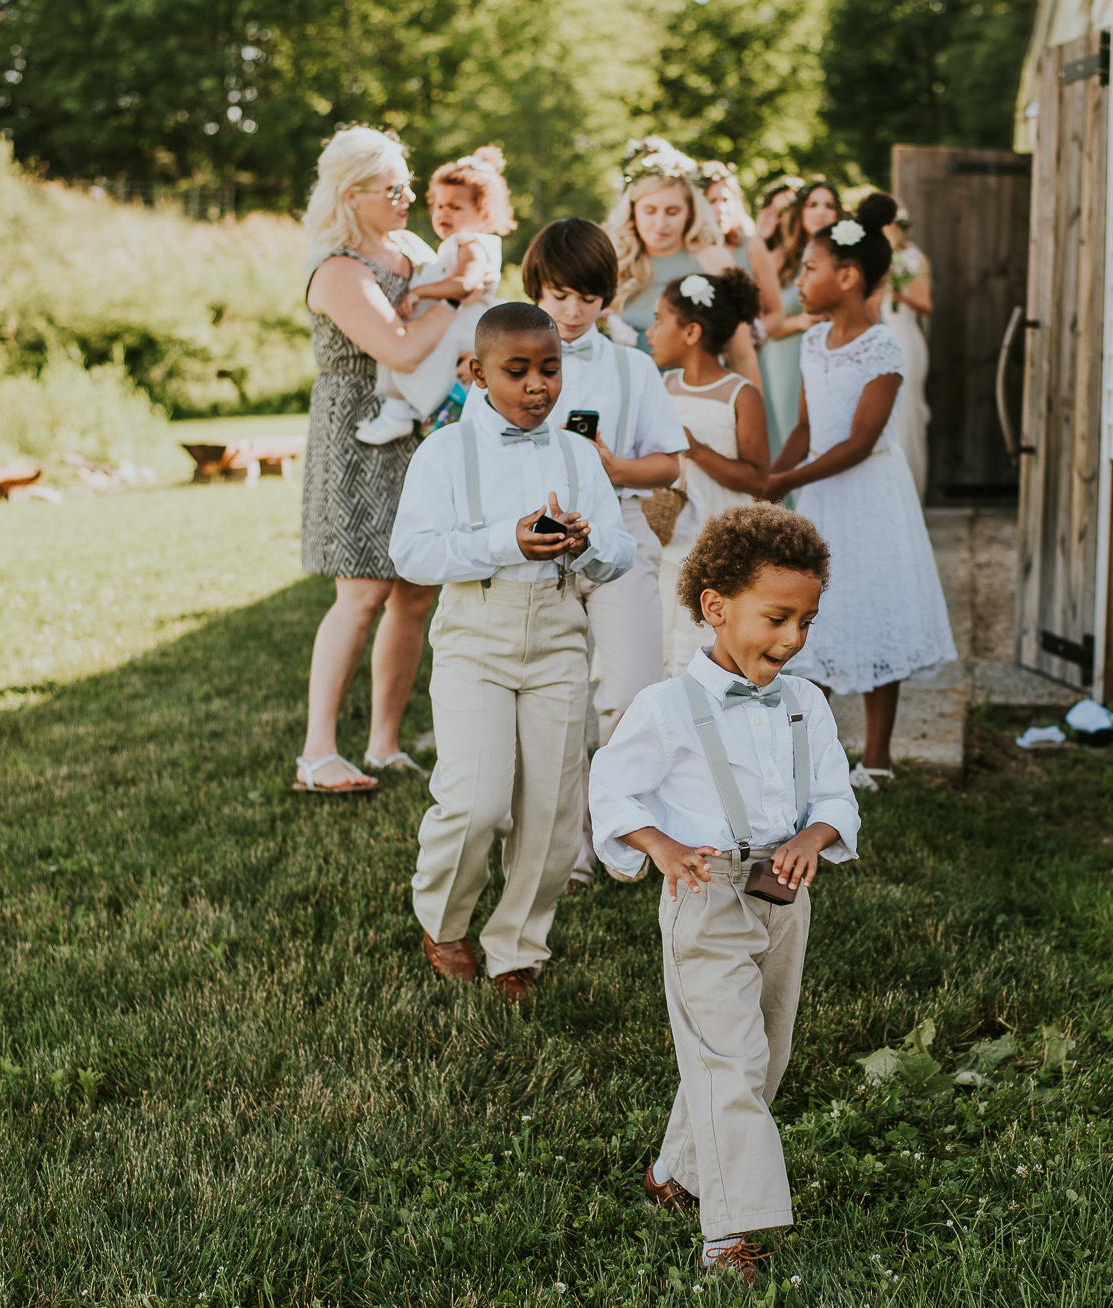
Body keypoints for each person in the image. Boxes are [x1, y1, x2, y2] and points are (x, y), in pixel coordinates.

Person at [588, 503, 859, 1285]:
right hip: (705, 897)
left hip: (783, 897)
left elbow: (837, 796)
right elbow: (613, 791)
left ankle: (676, 1171)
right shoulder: (667, 708)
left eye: (806, 620)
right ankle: (731, 1234)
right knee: (727, 1059)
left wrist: (816, 836)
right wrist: (660, 847)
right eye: (778, 617)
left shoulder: (807, 703)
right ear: (716, 608)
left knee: (763, 1053)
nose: (795, 637)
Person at [390, 303, 636, 999]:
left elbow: (620, 553)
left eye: (549, 370)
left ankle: (517, 945)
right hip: (476, 635)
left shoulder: (577, 454)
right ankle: (444, 920)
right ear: (478, 372)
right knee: (474, 801)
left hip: (558, 634)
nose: (537, 386)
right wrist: (507, 540)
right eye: (518, 371)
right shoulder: (444, 452)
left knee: (553, 812)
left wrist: (589, 544)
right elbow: (412, 554)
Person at [463, 218, 688, 891]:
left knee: (629, 694)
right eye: (558, 295)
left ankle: (619, 828)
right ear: (535, 288)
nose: (570, 311)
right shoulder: (496, 367)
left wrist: (614, 467)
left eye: (587, 297)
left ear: (606, 298)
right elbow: (474, 459)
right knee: (555, 707)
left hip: (617, 536)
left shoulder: (631, 367)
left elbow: (670, 464)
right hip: (535, 546)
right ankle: (567, 850)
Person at [768, 193, 958, 791]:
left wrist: (785, 483)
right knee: (814, 613)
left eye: (810, 269)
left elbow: (857, 441)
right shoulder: (811, 341)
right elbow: (805, 428)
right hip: (822, 496)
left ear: (847, 277)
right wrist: (768, 482)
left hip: (869, 492)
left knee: (875, 605)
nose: (800, 279)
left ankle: (876, 757)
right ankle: (812, 755)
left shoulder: (883, 349)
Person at [295, 126, 459, 793]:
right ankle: (317, 755)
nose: (407, 196)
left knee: (415, 590)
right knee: (362, 590)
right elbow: (399, 349)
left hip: (419, 431)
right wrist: (456, 297)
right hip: (355, 433)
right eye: (392, 188)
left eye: (406, 183)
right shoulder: (336, 269)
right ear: (352, 193)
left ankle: (384, 743)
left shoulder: (410, 248)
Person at [645, 267, 772, 674]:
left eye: (659, 320)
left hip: (720, 540)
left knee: (710, 646)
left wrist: (697, 450)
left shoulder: (741, 394)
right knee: (667, 642)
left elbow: (757, 478)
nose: (650, 331)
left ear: (692, 333)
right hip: (670, 538)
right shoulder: (664, 386)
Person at [354, 146, 513, 449]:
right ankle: (400, 411)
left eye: (455, 207)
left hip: (462, 329)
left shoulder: (473, 245)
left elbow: (464, 285)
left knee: (418, 360)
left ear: (485, 214)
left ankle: (402, 413)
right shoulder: (454, 245)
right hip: (455, 326)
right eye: (439, 205)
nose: (443, 213)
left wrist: (419, 291)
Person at [605, 137, 763, 389]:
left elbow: (741, 354)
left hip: (696, 401)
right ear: (633, 210)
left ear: (690, 211)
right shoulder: (613, 260)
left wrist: (754, 419)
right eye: (650, 210)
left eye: (672, 211)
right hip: (627, 397)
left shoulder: (714, 261)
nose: (660, 223)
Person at [759, 180, 842, 454]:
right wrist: (798, 323)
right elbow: (757, 322)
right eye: (813, 205)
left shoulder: (847, 260)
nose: (821, 212)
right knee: (787, 432)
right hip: (786, 357)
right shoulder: (778, 259)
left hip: (835, 356)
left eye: (829, 206)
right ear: (800, 212)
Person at [873, 206, 934, 498]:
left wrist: (898, 295)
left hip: (906, 337)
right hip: (882, 337)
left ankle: (910, 491)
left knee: (907, 411)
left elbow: (927, 305)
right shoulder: (877, 257)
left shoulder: (912, 259)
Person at [698, 162, 786, 341]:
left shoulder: (752, 246)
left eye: (726, 200)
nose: (721, 209)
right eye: (711, 201)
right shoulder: (689, 251)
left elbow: (776, 312)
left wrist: (750, 338)